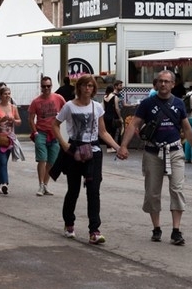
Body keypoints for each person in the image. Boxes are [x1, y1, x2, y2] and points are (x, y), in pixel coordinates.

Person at [117, 70, 192, 246]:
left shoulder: (178, 103)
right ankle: (156, 227)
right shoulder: (147, 104)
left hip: (175, 151)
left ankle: (176, 230)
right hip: (153, 152)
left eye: (166, 81)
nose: (163, 84)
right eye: (160, 81)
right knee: (153, 192)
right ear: (156, 84)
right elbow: (134, 124)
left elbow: (187, 128)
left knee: (177, 189)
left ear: (172, 84)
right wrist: (123, 145)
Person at [52, 74, 122, 245]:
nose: (88, 88)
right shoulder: (69, 106)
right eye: (84, 85)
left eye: (91, 86)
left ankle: (94, 230)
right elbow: (55, 124)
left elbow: (103, 132)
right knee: (73, 190)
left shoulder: (97, 107)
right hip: (74, 150)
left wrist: (119, 148)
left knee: (93, 191)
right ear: (79, 87)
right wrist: (63, 143)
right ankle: (69, 223)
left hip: (93, 151)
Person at [29, 76, 65, 196]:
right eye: (44, 86)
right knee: (42, 160)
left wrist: (61, 122)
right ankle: (40, 185)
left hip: (54, 134)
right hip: (41, 133)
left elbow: (67, 110)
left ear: (51, 86)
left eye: (48, 86)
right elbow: (30, 118)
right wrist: (35, 133)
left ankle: (45, 184)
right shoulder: (36, 101)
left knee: (52, 161)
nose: (46, 88)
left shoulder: (58, 98)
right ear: (41, 87)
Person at [0, 84, 20, 195]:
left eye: (9, 94)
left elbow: (19, 121)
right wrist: (2, 119)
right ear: (0, 95)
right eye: (5, 94)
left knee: (4, 163)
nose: (7, 96)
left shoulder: (13, 107)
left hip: (9, 140)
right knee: (2, 161)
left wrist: (13, 120)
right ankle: (4, 184)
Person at [102, 85, 122, 150]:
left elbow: (104, 107)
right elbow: (116, 108)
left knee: (107, 131)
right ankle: (114, 147)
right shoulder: (114, 97)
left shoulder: (104, 97)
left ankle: (108, 147)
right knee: (114, 132)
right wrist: (120, 117)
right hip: (113, 116)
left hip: (106, 116)